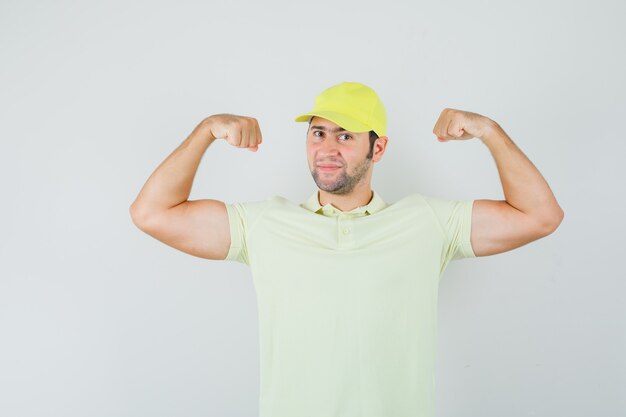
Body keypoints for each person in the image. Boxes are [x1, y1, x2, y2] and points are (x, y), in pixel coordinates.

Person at [129, 81, 564, 417]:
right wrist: (206, 130)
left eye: (345, 136)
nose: (327, 149)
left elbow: (540, 216)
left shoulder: (429, 222)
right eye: (318, 133)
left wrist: (490, 131)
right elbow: (152, 213)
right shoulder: (264, 224)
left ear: (379, 147)